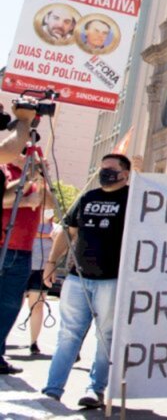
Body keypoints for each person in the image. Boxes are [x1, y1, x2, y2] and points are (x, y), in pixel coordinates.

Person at [42, 154, 131, 408]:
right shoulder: (88, 197)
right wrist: (51, 263)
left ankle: (95, 389)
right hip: (77, 277)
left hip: (112, 280)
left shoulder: (133, 199)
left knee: (106, 338)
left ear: (125, 174)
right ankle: (52, 388)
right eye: (102, 168)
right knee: (68, 335)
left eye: (110, 169)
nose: (104, 173)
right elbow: (68, 231)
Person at [0, 157, 47, 375]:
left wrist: (43, 177)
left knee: (10, 305)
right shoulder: (4, 170)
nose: (29, 154)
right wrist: (27, 193)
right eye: (25, 149)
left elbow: (50, 204)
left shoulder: (37, 176)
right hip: (3, 244)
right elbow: (5, 199)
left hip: (24, 250)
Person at [23, 208, 55, 356]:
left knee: (37, 306)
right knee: (13, 305)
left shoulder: (56, 229)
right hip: (22, 267)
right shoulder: (29, 223)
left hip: (41, 270)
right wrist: (46, 235)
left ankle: (33, 342)